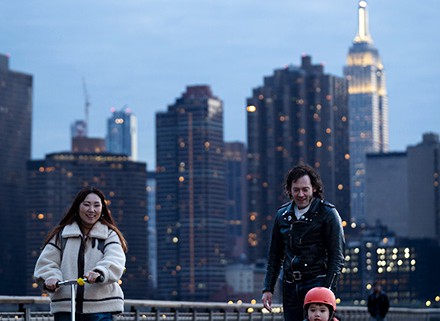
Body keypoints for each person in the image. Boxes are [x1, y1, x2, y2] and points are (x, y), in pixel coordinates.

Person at [261, 164, 345, 321]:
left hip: (317, 282)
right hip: (290, 285)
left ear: (314, 188)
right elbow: (275, 256)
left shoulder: (328, 213)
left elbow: (337, 256)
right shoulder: (282, 215)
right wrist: (268, 289)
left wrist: (327, 290)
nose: (301, 194)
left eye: (305, 189)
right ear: (289, 190)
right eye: (296, 189)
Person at [34, 187, 128, 321]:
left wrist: (100, 272)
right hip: (66, 307)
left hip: (101, 308)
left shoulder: (109, 235)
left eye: (97, 205)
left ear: (102, 209)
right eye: (86, 204)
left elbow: (115, 258)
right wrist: (51, 277)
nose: (92, 210)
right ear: (77, 207)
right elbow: (46, 262)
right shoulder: (62, 235)